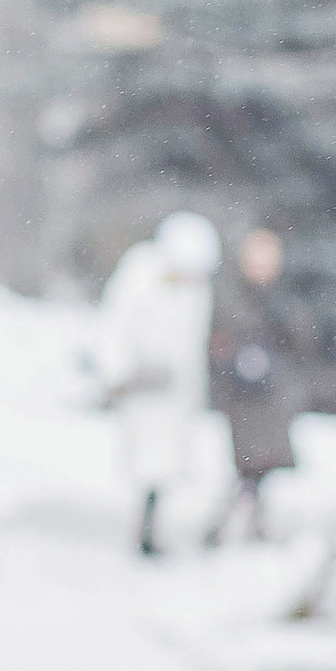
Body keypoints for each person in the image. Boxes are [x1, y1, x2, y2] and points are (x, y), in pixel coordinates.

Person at [97, 211, 221, 557]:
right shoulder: (139, 275)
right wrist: (119, 373)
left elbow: (192, 346)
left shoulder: (197, 291)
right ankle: (145, 528)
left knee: (168, 465)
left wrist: (194, 393)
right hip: (142, 389)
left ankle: (152, 525)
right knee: (146, 462)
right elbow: (115, 325)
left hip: (174, 395)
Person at [205, 227, 317, 545]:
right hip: (242, 396)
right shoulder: (230, 297)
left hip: (273, 395)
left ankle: (241, 521)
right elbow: (217, 341)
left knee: (262, 465)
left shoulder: (284, 299)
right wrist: (236, 360)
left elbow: (302, 341)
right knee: (247, 464)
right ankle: (236, 522)